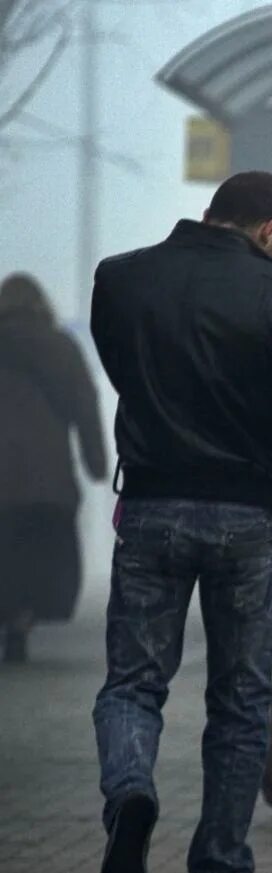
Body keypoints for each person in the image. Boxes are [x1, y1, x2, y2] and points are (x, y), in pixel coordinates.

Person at [88, 171, 272, 873]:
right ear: (270, 229)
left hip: (152, 502)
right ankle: (223, 872)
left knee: (133, 682)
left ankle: (130, 791)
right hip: (248, 514)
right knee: (239, 697)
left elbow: (122, 368)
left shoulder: (122, 279)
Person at [0, 273, 109, 663]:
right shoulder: (61, 348)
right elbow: (86, 405)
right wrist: (97, 463)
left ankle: (10, 613)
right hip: (47, 480)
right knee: (37, 555)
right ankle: (21, 619)